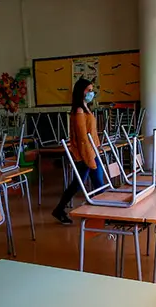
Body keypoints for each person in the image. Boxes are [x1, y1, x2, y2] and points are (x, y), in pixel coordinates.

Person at [52, 78, 105, 224]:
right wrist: (90, 159)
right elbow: (82, 139)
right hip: (85, 155)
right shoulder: (79, 111)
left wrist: (98, 148)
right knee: (98, 184)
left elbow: (92, 133)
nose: (91, 93)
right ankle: (107, 215)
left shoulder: (85, 107)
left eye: (92, 90)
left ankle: (59, 210)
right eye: (88, 90)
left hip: (92, 152)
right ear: (80, 91)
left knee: (78, 183)